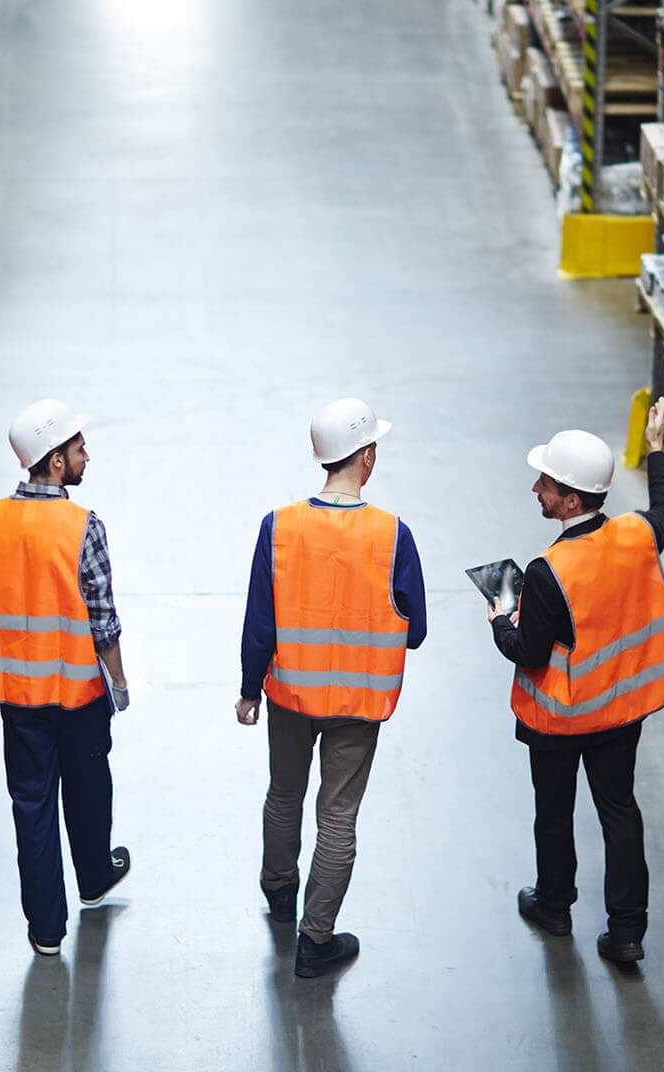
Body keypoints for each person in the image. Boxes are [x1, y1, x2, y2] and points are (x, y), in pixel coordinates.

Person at [236, 397, 427, 978]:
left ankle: (278, 891)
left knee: (283, 795)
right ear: (366, 456)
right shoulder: (393, 535)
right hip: (357, 704)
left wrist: (249, 690)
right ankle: (314, 939)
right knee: (337, 817)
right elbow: (414, 630)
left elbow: (259, 623)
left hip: (291, 696)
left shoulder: (280, 527)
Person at [488, 399, 664, 966]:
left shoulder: (550, 571)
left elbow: (528, 651)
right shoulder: (638, 535)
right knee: (619, 811)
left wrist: (501, 617)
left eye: (544, 483)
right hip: (620, 713)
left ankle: (554, 904)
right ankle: (626, 933)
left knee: (554, 810)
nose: (535, 490)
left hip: (561, 719)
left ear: (571, 499)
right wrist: (658, 447)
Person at [0, 399, 131, 958]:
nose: (87, 456)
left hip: (18, 694)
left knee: (31, 804)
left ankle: (45, 929)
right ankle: (94, 877)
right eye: (80, 448)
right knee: (88, 792)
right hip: (79, 693)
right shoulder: (83, 526)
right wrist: (121, 683)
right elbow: (102, 619)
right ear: (56, 462)